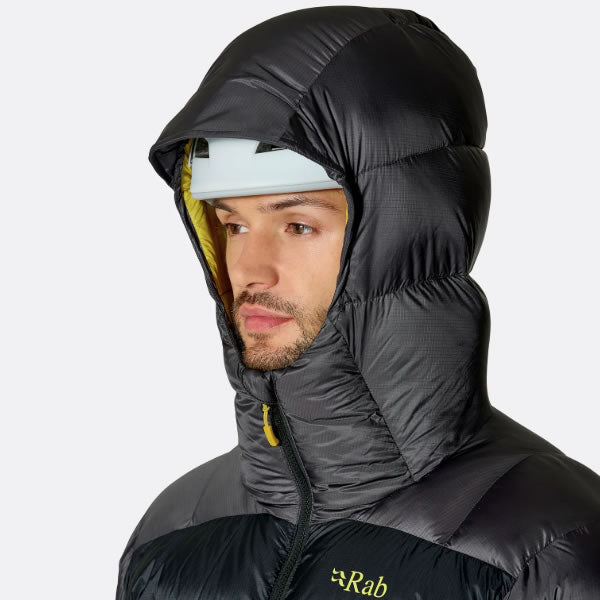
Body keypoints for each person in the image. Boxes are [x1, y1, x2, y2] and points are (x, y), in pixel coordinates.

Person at [116, 6, 600, 599]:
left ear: (404, 232)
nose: (247, 270)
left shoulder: (550, 553)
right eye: (233, 225)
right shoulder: (172, 536)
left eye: (297, 226)